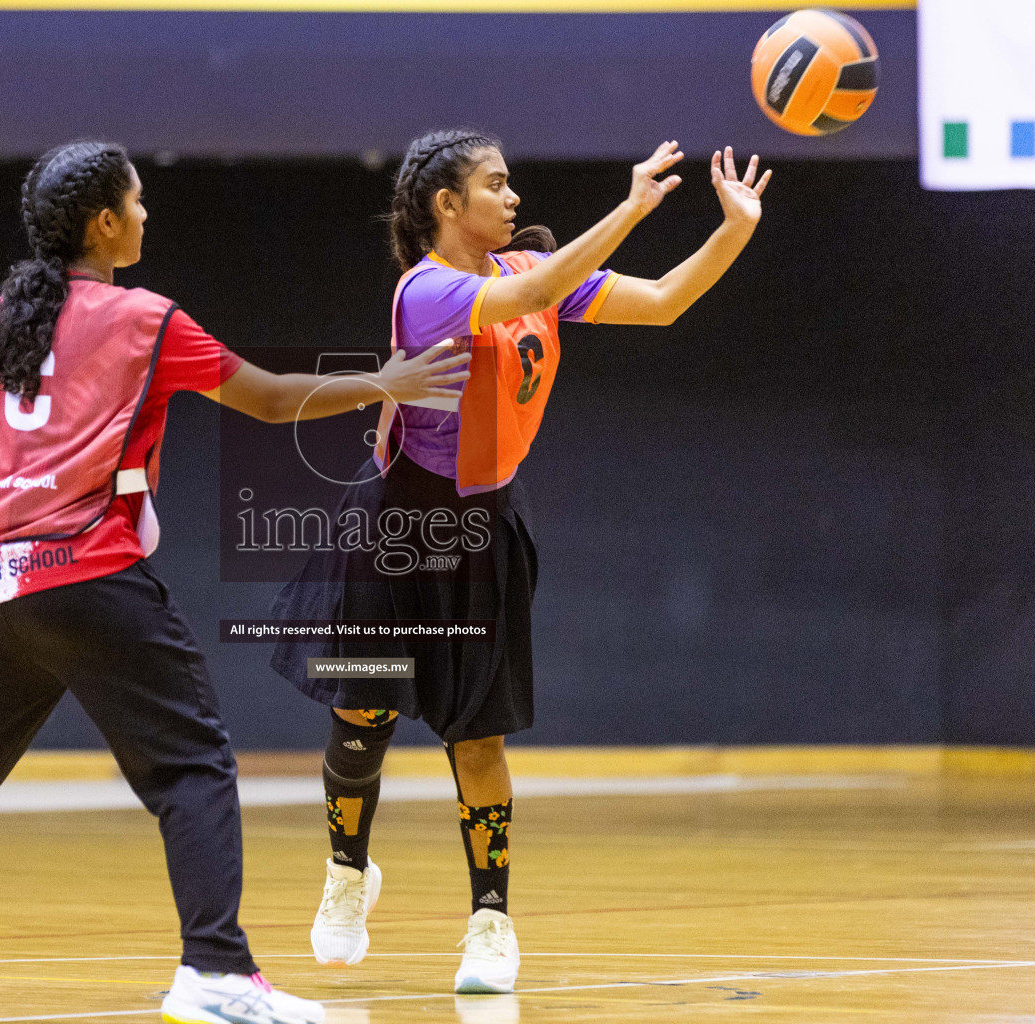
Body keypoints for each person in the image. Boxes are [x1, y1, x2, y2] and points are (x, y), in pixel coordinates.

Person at [0, 139, 469, 1022]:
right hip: (88, 573)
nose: (147, 215)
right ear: (105, 223)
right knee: (193, 767)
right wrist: (386, 382)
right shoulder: (144, 318)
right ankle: (216, 971)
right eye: (138, 203)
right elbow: (263, 398)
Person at [271, 130, 771, 993]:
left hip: (483, 530)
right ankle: (347, 874)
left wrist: (734, 230)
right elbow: (545, 282)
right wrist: (632, 205)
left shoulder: (517, 277)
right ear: (446, 205)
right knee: (363, 723)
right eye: (495, 186)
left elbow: (659, 301)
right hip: (394, 531)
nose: (513, 199)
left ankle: (491, 923)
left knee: (478, 737)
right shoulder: (426, 291)